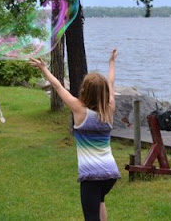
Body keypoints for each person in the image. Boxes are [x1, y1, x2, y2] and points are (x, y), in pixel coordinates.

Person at [28, 49, 120, 221]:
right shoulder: (109, 110)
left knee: (91, 216)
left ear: (84, 90)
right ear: (104, 93)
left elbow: (58, 86)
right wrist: (112, 63)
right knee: (100, 201)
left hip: (91, 175)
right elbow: (111, 83)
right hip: (110, 173)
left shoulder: (79, 110)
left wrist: (44, 68)